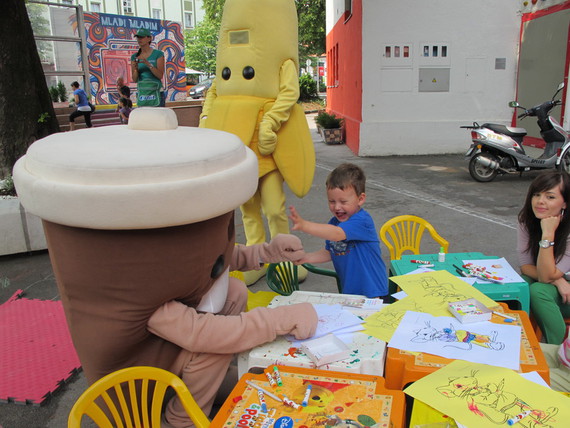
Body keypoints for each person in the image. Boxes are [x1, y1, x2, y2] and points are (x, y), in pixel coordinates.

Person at [289, 163, 388, 299]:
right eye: (332, 201)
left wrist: (304, 225)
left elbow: (336, 234)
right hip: (351, 291)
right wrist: (306, 258)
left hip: (373, 291)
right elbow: (332, 251)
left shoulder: (362, 221)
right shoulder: (335, 223)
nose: (337, 207)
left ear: (360, 199)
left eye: (343, 201)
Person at [518, 170, 570, 351]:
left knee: (538, 290)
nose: (540, 201)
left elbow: (545, 277)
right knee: (520, 284)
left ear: (565, 202)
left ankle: (554, 351)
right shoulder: (528, 221)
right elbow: (525, 266)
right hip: (557, 283)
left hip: (567, 294)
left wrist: (548, 234)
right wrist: (557, 279)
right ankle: (515, 340)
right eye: (537, 194)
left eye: (550, 197)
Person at [130, 28, 165, 107]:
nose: (139, 39)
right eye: (138, 37)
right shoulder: (134, 57)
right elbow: (135, 79)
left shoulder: (158, 54)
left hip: (156, 91)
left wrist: (149, 65)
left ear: (149, 38)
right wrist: (135, 69)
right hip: (143, 92)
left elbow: (160, 75)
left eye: (142, 37)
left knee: (157, 117)